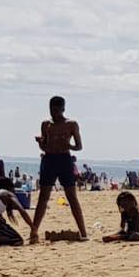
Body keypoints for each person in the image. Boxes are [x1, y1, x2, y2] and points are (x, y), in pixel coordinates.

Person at [29, 95, 88, 243]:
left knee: (72, 197)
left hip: (64, 160)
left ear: (63, 109)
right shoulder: (46, 124)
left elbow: (79, 146)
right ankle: (33, 232)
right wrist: (40, 143)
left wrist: (68, 145)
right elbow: (45, 146)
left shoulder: (71, 124)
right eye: (51, 109)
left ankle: (83, 232)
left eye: (56, 109)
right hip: (49, 159)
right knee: (43, 197)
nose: (53, 113)